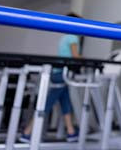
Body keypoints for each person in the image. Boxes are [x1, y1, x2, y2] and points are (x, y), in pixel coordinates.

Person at [20, 12, 82, 143]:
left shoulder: (64, 37)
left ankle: (71, 132)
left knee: (66, 102)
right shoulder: (73, 37)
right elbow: (75, 56)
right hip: (62, 74)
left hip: (58, 72)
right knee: (47, 103)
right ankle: (27, 132)